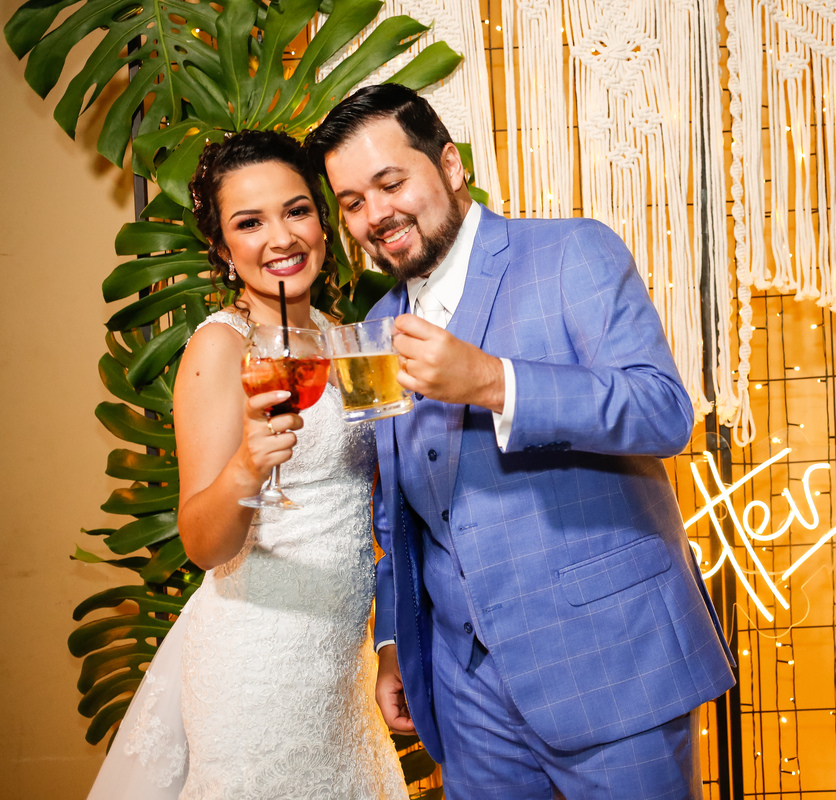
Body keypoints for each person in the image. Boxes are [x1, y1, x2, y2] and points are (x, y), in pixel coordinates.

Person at [307, 84, 736, 799]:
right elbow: (395, 517)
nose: (375, 215)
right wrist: (393, 643)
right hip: (467, 697)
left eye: (391, 183)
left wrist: (491, 380)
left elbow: (662, 412)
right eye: (352, 202)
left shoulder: (572, 252)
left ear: (450, 165)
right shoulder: (376, 325)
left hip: (613, 664)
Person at [87, 129, 407, 799]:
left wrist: (390, 642)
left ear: (322, 219)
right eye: (249, 223)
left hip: (340, 675)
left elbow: (376, 508)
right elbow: (203, 545)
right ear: (223, 247)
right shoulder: (220, 347)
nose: (281, 238)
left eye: (296, 210)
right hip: (257, 668)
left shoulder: (341, 339)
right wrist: (245, 468)